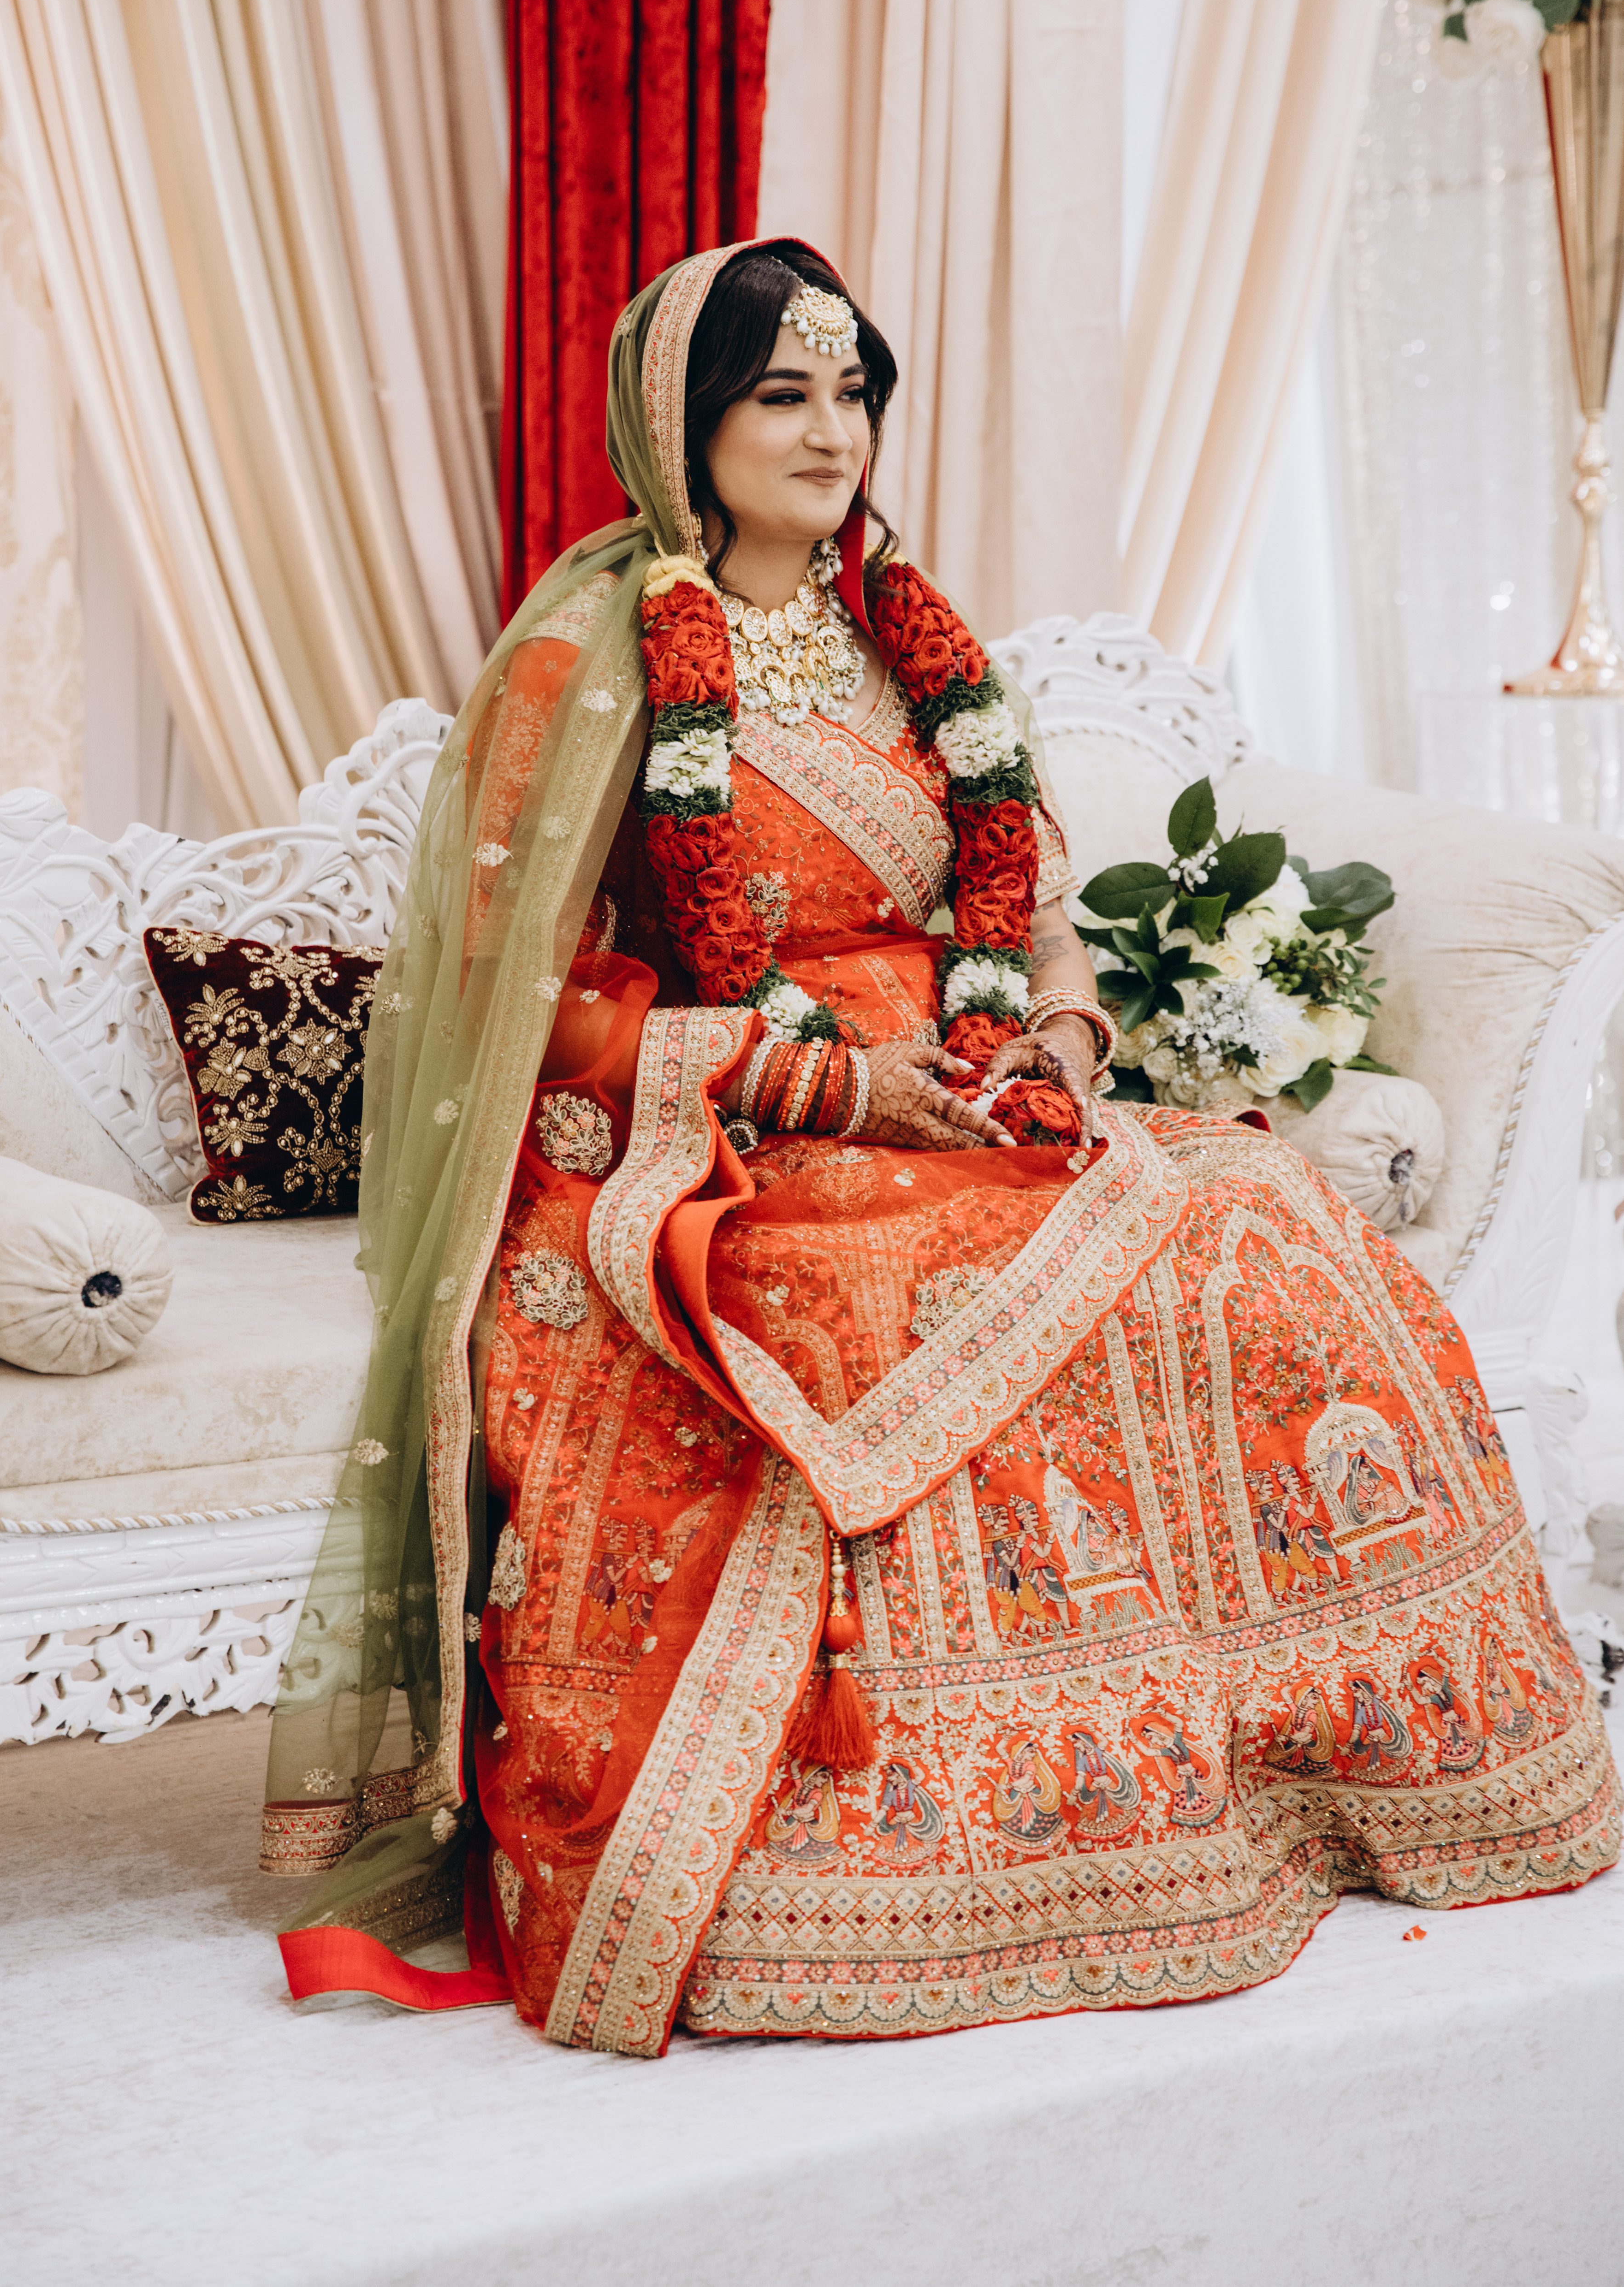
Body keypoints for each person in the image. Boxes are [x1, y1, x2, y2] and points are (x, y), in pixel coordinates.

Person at [263, 238, 1620, 2054]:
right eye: (782, 395)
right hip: (736, 1132)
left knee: (1257, 1211)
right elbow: (535, 1011)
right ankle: (938, 1829)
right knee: (894, 1298)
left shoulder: (910, 646)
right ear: (680, 424)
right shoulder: (587, 665)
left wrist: (1059, 1033)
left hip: (976, 1090)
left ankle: (1307, 1758)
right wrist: (821, 1087)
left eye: (855, 393)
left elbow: (1032, 908)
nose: (833, 433)